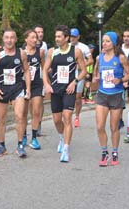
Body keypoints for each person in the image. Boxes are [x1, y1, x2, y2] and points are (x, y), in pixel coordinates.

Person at [43, 25, 87, 162]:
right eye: (55, 36)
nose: (56, 39)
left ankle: (66, 150)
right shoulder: (52, 52)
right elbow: (44, 70)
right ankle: (62, 138)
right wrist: (47, 84)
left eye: (59, 37)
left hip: (69, 89)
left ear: (66, 38)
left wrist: (75, 81)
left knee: (67, 117)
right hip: (56, 90)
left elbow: (84, 71)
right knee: (57, 120)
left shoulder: (76, 52)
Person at [0, 29, 31, 158]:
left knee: (19, 116)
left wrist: (28, 88)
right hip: (2, 90)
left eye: (12, 38)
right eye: (7, 38)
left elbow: (26, 71)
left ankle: (20, 145)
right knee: (1, 119)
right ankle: (2, 146)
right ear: (3, 40)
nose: (9, 40)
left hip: (17, 88)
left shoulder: (21, 53)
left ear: (16, 40)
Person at [93, 32, 129, 166]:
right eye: (103, 41)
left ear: (114, 43)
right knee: (99, 126)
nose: (104, 43)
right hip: (102, 94)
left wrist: (120, 80)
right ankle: (104, 152)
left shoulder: (120, 58)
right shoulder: (100, 58)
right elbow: (95, 72)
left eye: (107, 41)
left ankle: (115, 152)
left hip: (116, 94)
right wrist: (96, 78)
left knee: (113, 127)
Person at [21, 29, 45, 150]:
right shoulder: (21, 53)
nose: (35, 40)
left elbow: (45, 69)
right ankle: (24, 135)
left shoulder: (40, 52)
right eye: (32, 37)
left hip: (36, 84)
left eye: (36, 37)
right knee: (23, 113)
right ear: (26, 40)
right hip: (23, 85)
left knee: (36, 111)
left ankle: (34, 137)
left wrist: (47, 83)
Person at [70, 28, 93, 128]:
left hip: (79, 74)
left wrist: (82, 65)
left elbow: (91, 60)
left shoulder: (83, 47)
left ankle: (77, 116)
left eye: (74, 37)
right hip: (68, 74)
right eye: (71, 36)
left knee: (78, 97)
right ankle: (67, 114)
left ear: (78, 37)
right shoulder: (65, 46)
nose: (72, 39)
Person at [34, 24, 48, 136]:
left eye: (41, 32)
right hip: (30, 78)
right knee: (31, 103)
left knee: (40, 102)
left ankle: (39, 123)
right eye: (38, 32)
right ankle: (34, 122)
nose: (40, 34)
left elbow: (46, 61)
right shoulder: (25, 46)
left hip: (41, 76)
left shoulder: (44, 46)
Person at [119, 29, 129, 129]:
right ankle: (119, 120)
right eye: (124, 36)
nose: (126, 38)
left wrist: (128, 79)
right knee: (119, 100)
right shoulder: (119, 49)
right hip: (120, 77)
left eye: (128, 36)